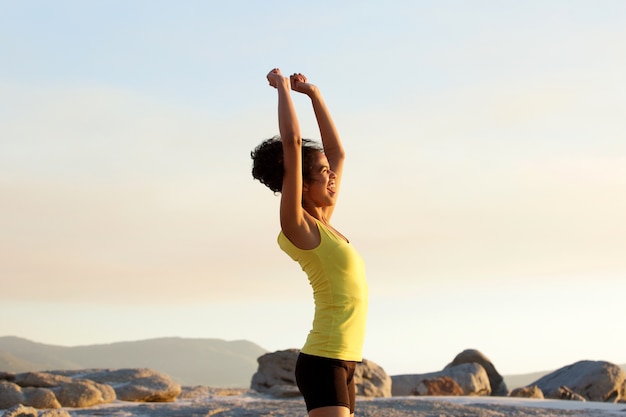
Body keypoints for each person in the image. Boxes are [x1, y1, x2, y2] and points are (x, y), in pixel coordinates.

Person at [251, 68, 368, 417]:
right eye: (322, 171)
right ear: (300, 182)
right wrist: (283, 89)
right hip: (324, 361)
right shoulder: (298, 227)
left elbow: (338, 152)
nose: (332, 175)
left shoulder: (326, 226)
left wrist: (314, 94)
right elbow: (292, 143)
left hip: (345, 360)